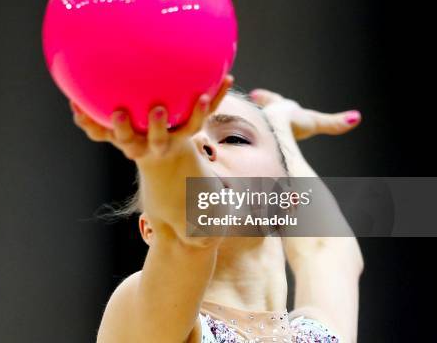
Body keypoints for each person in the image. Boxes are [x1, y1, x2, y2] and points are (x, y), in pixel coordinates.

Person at [70, 75, 364, 342]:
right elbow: (189, 238)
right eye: (183, 137)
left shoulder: (321, 335)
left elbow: (328, 249)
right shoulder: (147, 319)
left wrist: (278, 124)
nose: (200, 143)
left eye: (234, 138)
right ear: (150, 229)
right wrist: (166, 151)